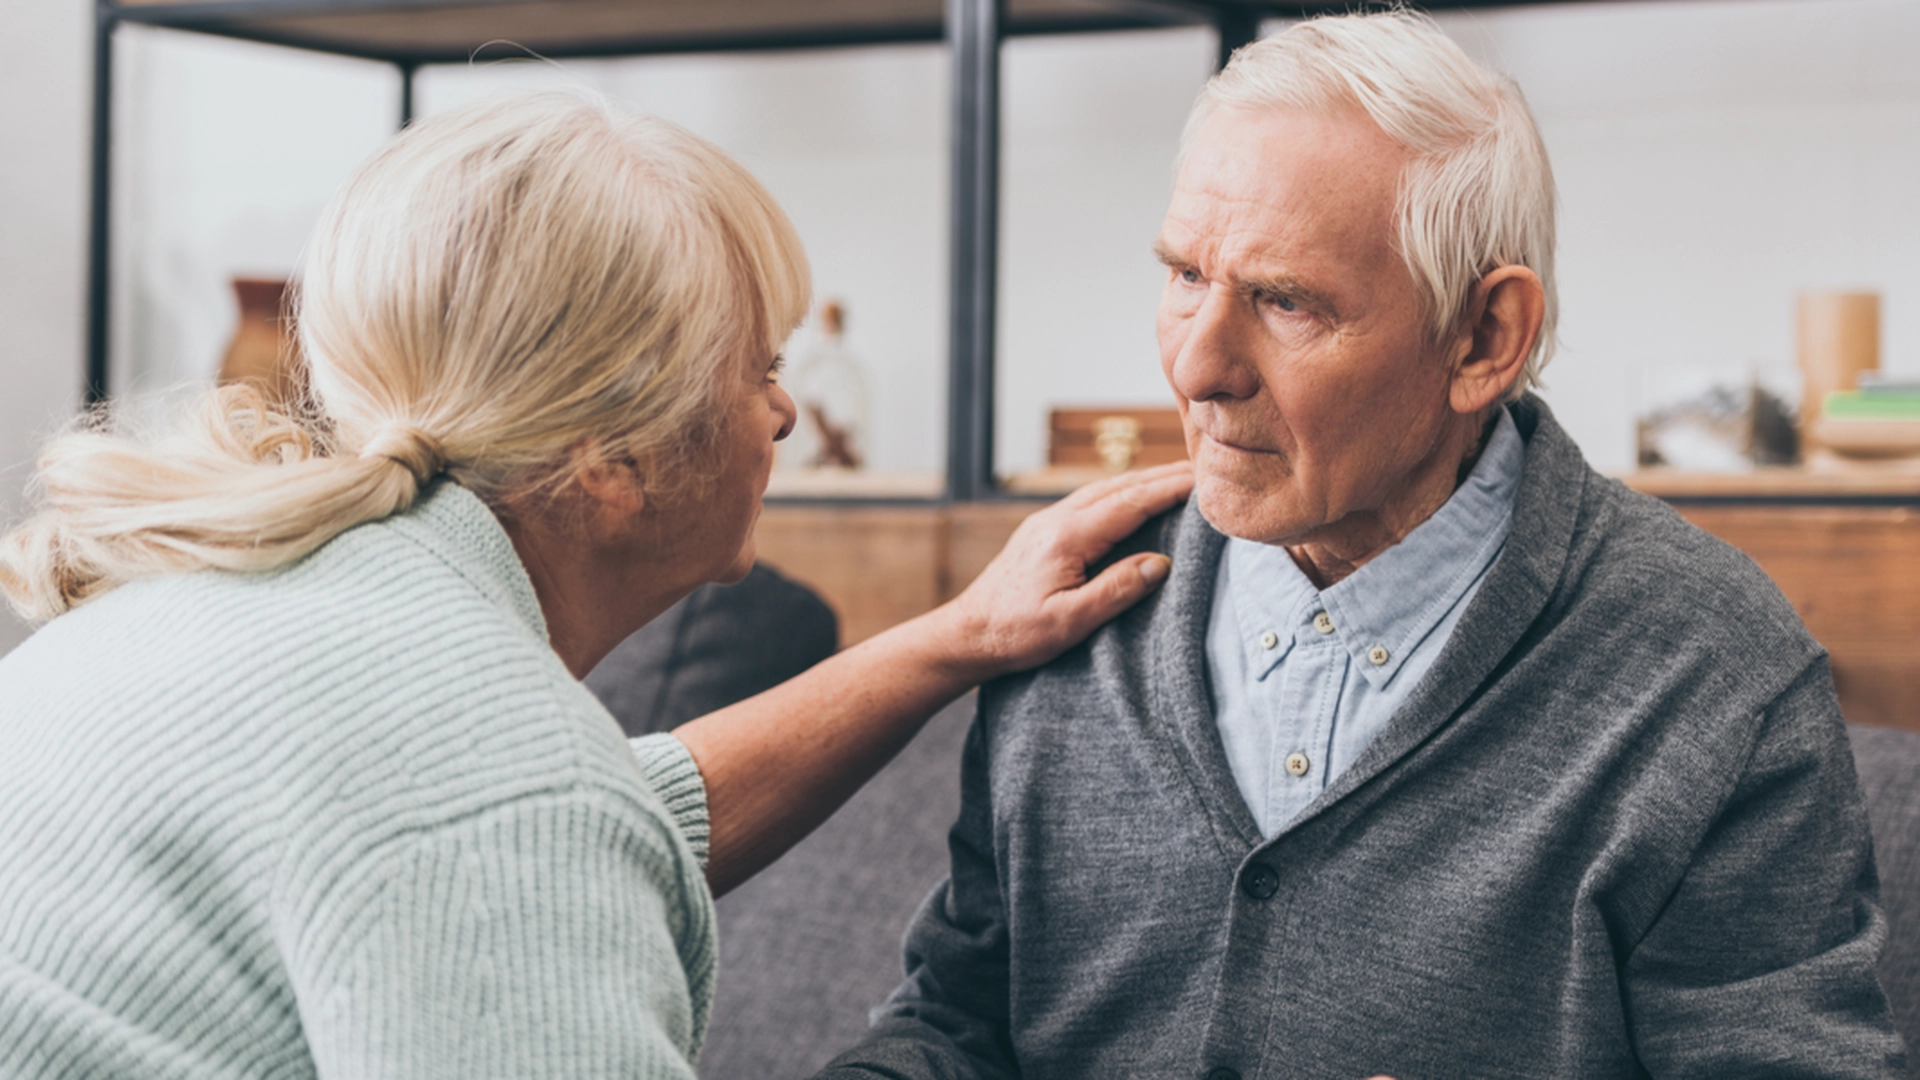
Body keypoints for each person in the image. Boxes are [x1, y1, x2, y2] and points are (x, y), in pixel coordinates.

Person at [0, 91, 1193, 1079]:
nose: (784, 410)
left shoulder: (223, 605)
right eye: (758, 368)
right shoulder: (497, 792)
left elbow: (601, 815)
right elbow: (517, 829)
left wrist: (951, 639)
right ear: (615, 460)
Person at [818, 12, 1906, 1080]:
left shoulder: (1712, 673)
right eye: (1185, 275)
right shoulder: (1073, 607)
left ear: (1485, 339)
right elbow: (957, 1018)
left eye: (1285, 301)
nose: (1199, 369)